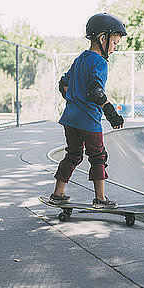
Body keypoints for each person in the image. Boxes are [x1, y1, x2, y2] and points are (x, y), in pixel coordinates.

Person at [49, 13, 126, 208]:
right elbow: (96, 91)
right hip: (89, 121)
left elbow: (63, 83)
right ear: (103, 38)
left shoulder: (79, 59)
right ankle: (100, 199)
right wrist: (112, 114)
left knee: (73, 155)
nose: (115, 48)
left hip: (69, 119)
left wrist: (74, 99)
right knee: (98, 156)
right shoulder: (100, 62)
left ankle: (58, 193)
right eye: (115, 43)